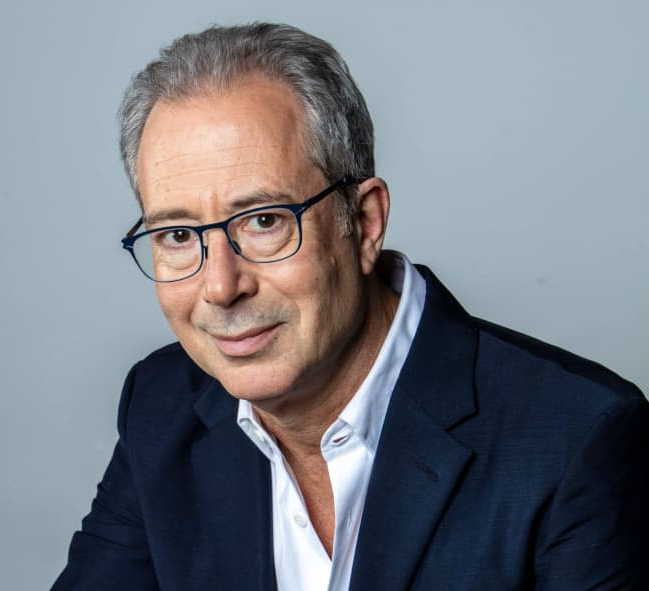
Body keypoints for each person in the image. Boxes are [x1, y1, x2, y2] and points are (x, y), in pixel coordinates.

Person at [52, 23, 649, 591]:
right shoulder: (161, 406)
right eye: (178, 235)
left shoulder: (578, 439)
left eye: (264, 222)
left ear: (363, 224)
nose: (219, 287)